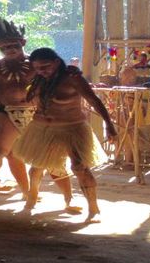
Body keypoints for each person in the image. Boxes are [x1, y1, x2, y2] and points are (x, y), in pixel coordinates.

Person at [0, 9, 77, 207]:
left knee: (50, 158)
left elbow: (59, 78)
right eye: (4, 47)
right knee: (4, 151)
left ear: (22, 42)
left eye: (13, 45)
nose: (9, 49)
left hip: (38, 114)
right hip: (6, 113)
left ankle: (69, 198)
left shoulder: (38, 62)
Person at [13, 48, 116, 222]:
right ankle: (31, 199)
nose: (41, 71)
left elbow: (94, 100)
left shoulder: (72, 78)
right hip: (41, 127)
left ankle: (93, 207)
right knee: (37, 165)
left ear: (56, 62)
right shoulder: (38, 79)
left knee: (79, 167)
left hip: (71, 127)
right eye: (37, 68)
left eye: (45, 66)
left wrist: (109, 125)